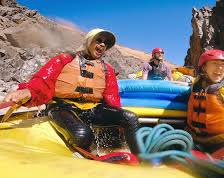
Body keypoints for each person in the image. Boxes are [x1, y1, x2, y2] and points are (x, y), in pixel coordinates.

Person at [4, 28, 140, 154]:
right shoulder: (64, 59)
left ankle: (139, 157)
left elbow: (111, 97)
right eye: (98, 40)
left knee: (130, 118)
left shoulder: (107, 69)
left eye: (106, 43)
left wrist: (118, 119)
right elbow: (43, 80)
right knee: (82, 134)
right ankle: (91, 157)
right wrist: (28, 91)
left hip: (92, 108)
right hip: (62, 107)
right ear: (89, 42)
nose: (103, 45)